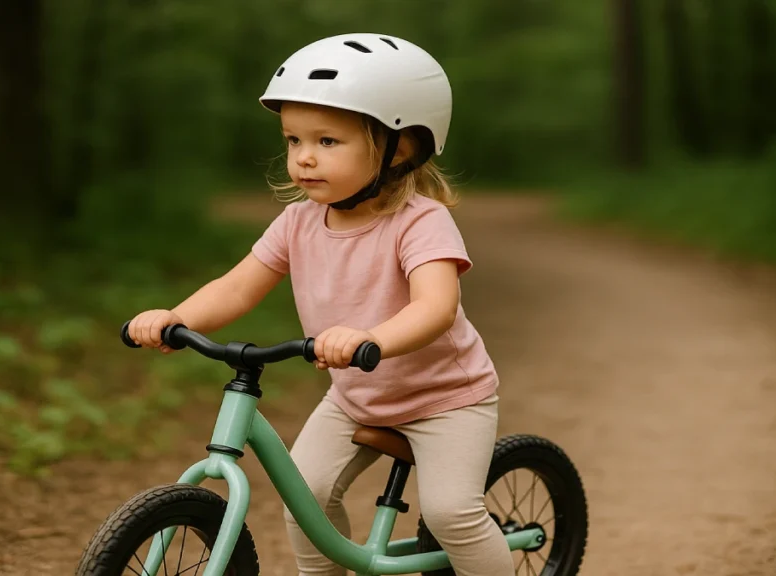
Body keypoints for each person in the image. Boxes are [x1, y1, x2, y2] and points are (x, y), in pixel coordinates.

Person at [125, 33, 513, 576]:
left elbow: (435, 307)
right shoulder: (299, 220)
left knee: (451, 514)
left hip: (445, 400)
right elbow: (238, 286)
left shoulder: (420, 222)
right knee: (305, 499)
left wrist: (370, 338)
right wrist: (176, 317)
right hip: (357, 393)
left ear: (398, 148)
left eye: (328, 141)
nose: (304, 157)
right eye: (293, 140)